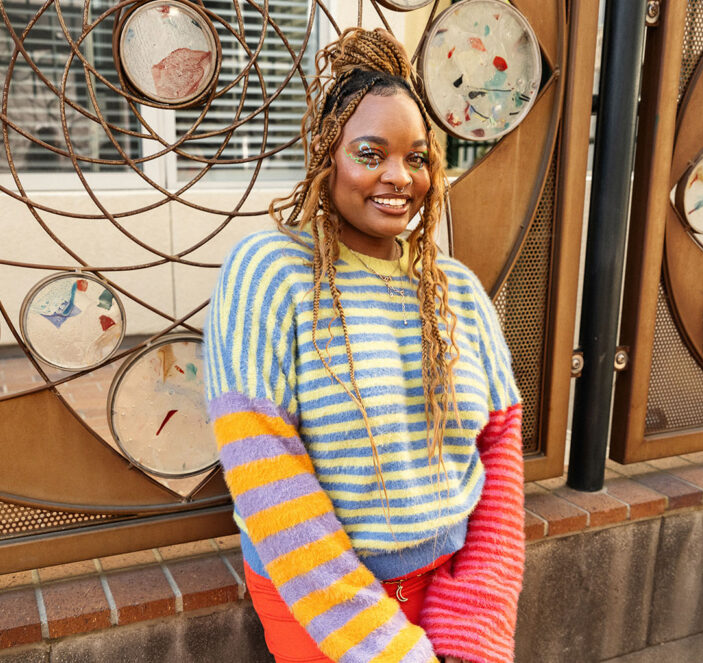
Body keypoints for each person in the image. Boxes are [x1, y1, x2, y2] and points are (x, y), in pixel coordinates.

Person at [204, 27, 525, 663]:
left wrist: (477, 618)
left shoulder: (456, 290)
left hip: (448, 582)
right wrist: (386, 648)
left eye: (417, 157)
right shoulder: (270, 273)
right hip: (313, 595)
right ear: (328, 157)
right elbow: (265, 470)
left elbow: (500, 455)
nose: (397, 177)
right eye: (370, 153)